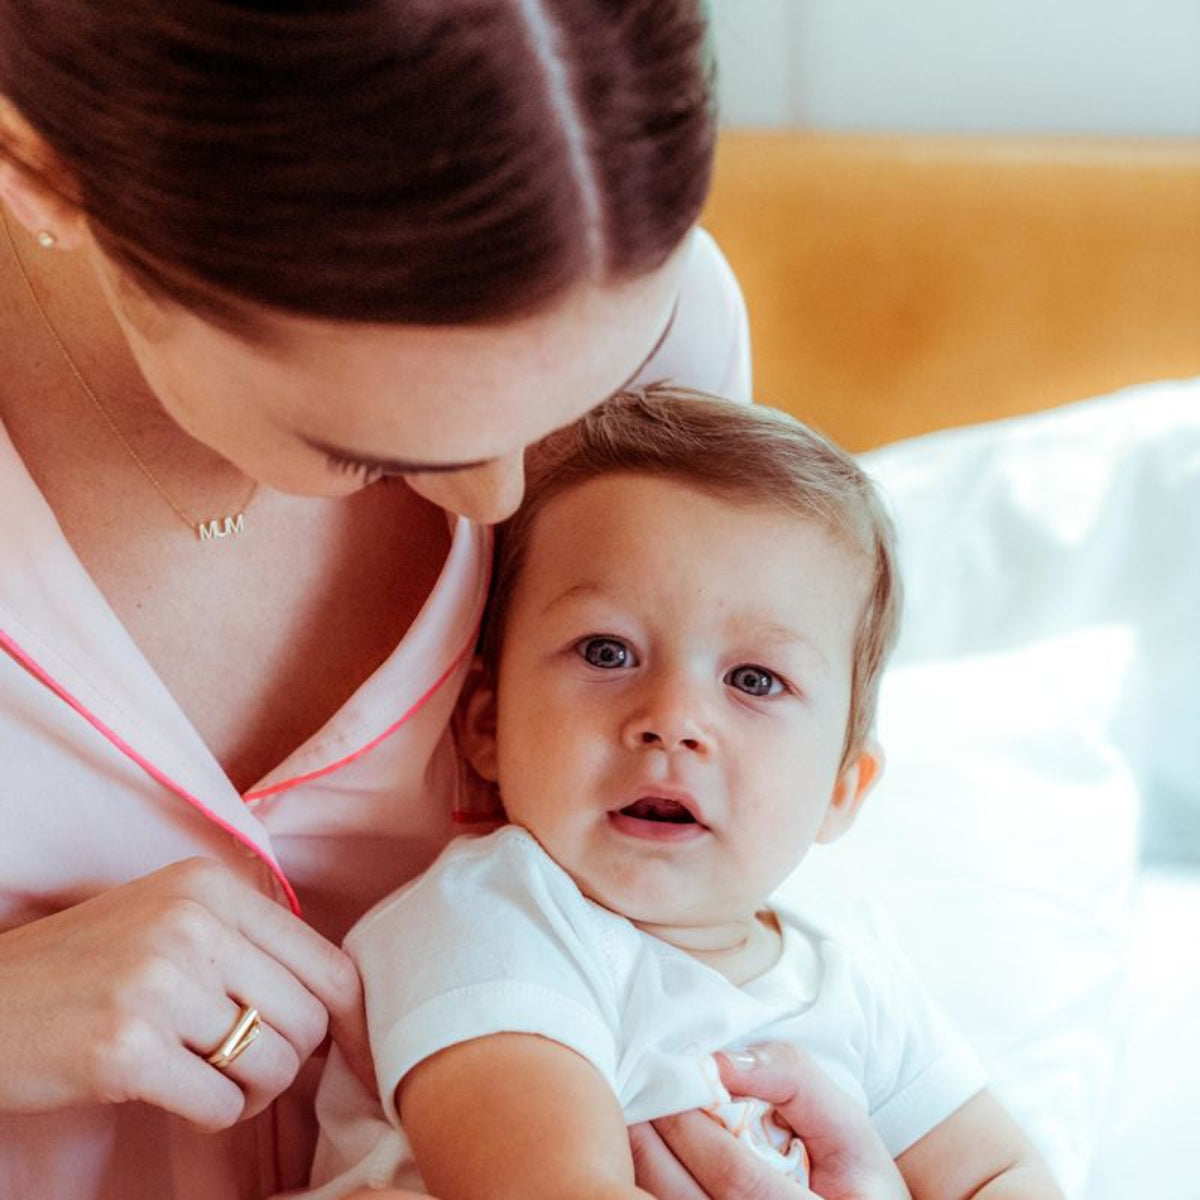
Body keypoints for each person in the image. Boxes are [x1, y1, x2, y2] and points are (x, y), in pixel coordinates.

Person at [0, 4, 911, 1199]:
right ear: (43, 177)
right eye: (363, 448)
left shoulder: (655, 313)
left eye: (561, 409)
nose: (500, 503)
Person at [304, 389, 1066, 1200]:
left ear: (844, 788)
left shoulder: (851, 973)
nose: (671, 720)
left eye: (753, 679)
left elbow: (1001, 1173)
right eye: (608, 651)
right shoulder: (490, 921)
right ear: (486, 725)